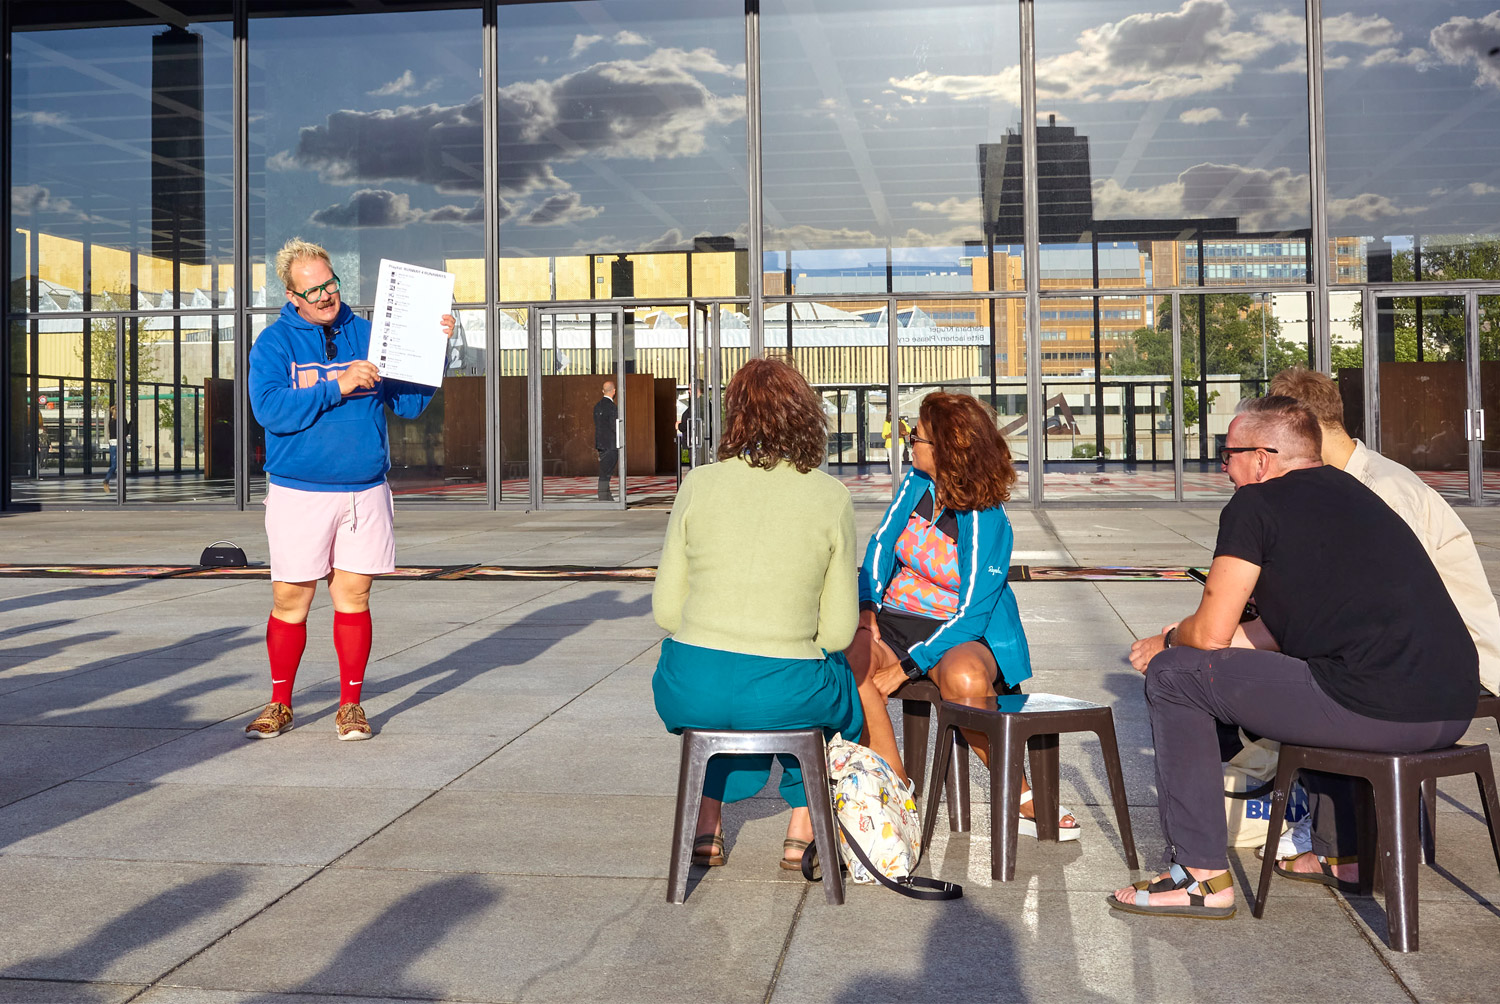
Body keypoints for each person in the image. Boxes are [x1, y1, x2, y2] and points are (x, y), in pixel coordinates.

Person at [1109, 396, 1476, 920]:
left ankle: (1198, 878)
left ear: (1262, 457)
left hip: (1377, 713)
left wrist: (1170, 644)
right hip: (1450, 709)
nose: (1222, 465)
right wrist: (1181, 634)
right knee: (1307, 670)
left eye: (1227, 452)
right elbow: (1274, 636)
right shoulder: (1359, 495)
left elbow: (1210, 636)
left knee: (1174, 677)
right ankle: (1344, 856)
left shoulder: (1254, 504)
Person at [652, 357, 863, 871]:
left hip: (689, 685)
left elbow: (664, 611)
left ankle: (707, 822)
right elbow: (838, 631)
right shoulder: (830, 496)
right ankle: (802, 827)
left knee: (726, 692)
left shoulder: (697, 485)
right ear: (806, 416)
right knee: (838, 695)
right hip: (783, 688)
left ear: (735, 416)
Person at [245, 237, 453, 741]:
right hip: (299, 491)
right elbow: (269, 410)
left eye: (330, 284)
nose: (324, 296)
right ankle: (279, 701)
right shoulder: (274, 343)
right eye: (312, 290)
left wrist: (434, 350)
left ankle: (351, 704)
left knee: (354, 596)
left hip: (365, 490)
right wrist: (336, 385)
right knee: (291, 597)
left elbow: (406, 405)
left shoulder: (368, 333)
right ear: (292, 296)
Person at [849, 393, 1073, 839]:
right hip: (896, 618)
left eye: (918, 436)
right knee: (852, 660)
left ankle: (1017, 789)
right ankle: (896, 782)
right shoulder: (915, 485)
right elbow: (878, 549)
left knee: (966, 679)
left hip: (963, 630)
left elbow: (971, 613)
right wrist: (868, 612)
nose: (910, 442)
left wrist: (908, 667)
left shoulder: (987, 518)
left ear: (947, 450)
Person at [1270, 366, 1500, 697]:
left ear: (1305, 430)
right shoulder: (1341, 484)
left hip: (1453, 659)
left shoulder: (1384, 491)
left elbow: (1396, 605)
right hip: (1407, 646)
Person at [594, 379, 618, 500]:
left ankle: (607, 496)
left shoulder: (597, 406)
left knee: (604, 471)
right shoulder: (612, 407)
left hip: (601, 444)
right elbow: (615, 426)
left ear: (603, 391)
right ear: (614, 391)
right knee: (606, 474)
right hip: (611, 444)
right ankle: (603, 497)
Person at [101, 405, 129, 492]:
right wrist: (130, 424)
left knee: (114, 465)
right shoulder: (123, 421)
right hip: (120, 443)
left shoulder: (111, 422)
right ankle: (120, 484)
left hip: (113, 444)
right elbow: (125, 432)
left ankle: (107, 481)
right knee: (122, 465)